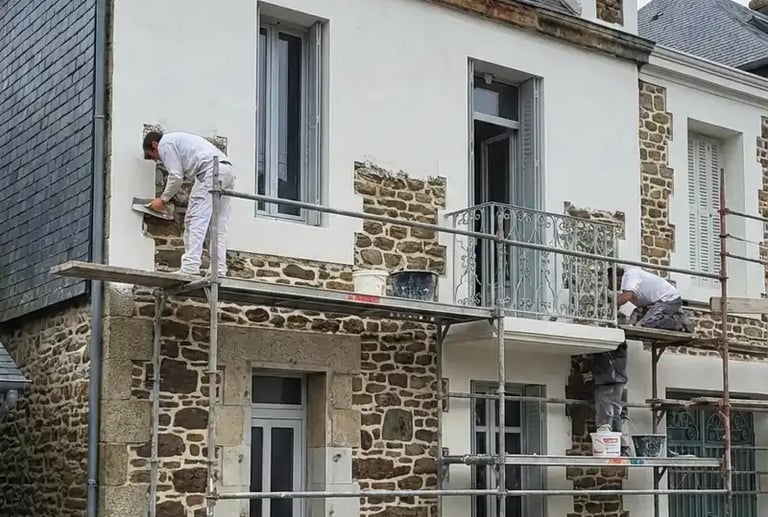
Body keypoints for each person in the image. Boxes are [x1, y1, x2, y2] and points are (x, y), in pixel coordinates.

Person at [143, 131, 235, 276]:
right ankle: (219, 269)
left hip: (210, 171)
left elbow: (176, 176)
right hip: (226, 171)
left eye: (152, 156)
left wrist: (162, 199)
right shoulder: (178, 140)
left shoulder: (165, 144)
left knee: (195, 220)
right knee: (217, 225)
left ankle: (190, 267)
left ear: (154, 145)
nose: (157, 160)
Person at [609, 266, 693, 332]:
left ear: (617, 278)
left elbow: (626, 297)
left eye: (610, 280)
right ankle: (672, 320)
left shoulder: (629, 276)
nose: (609, 285)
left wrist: (612, 306)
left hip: (668, 298)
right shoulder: (629, 283)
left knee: (646, 323)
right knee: (637, 321)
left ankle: (679, 323)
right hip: (655, 303)